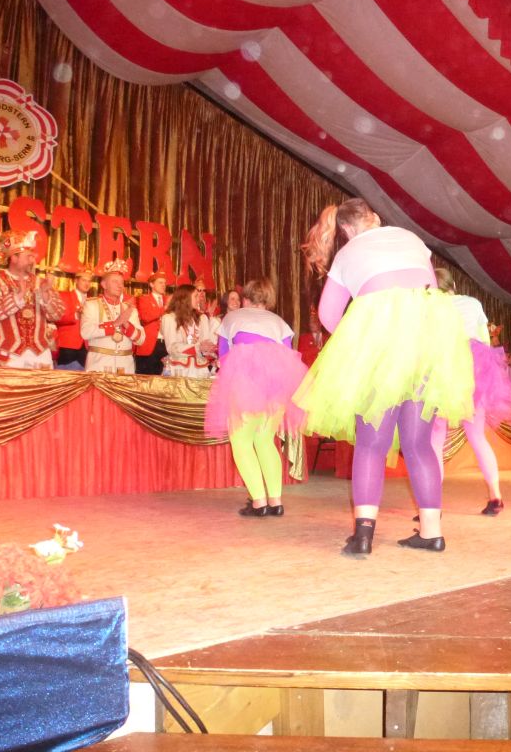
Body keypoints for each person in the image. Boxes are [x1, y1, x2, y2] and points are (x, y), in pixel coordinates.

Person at [295, 198, 473, 555]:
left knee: (371, 444)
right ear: (375, 217)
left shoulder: (348, 253)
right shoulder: (412, 239)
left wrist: (356, 341)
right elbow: (426, 289)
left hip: (378, 349)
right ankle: (432, 532)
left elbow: (328, 314)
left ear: (346, 229)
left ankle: (363, 535)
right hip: (424, 345)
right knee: (419, 444)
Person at [204, 278, 308, 516]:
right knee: (265, 440)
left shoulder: (232, 318)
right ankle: (276, 501)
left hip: (246, 384)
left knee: (241, 441)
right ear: (268, 300)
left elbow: (224, 356)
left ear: (245, 299)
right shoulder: (279, 322)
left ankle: (259, 503)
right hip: (277, 387)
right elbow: (289, 357)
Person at [429, 268, 511, 516]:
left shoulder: (432, 308)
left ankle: (432, 503)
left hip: (444, 370)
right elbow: (485, 340)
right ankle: (496, 496)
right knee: (477, 436)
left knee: (436, 438)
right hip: (474, 370)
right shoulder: (472, 303)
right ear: (453, 285)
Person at [0, 231, 65, 369]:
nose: (32, 260)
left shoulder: (41, 282)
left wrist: (45, 294)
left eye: (33, 256)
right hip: (6, 353)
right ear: (14, 258)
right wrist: (17, 297)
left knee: (43, 384)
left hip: (40, 354)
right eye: (28, 256)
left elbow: (58, 314)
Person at [81, 259, 145, 374]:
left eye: (122, 282)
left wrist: (126, 324)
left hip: (125, 368)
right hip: (99, 366)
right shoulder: (92, 305)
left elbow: (141, 340)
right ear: (104, 284)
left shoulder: (129, 309)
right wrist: (115, 323)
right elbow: (86, 332)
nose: (120, 285)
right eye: (115, 281)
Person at [160, 284, 214, 378]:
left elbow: (205, 344)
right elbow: (172, 348)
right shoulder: (169, 318)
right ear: (185, 298)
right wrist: (197, 348)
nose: (199, 299)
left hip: (200, 369)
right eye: (196, 296)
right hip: (179, 370)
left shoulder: (202, 318)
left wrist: (210, 349)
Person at [54, 268, 94, 370]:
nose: (87, 284)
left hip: (87, 346)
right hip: (67, 345)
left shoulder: (93, 301)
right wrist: (76, 315)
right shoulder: (63, 295)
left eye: (89, 281)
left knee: (83, 377)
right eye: (84, 280)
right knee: (65, 377)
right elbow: (56, 318)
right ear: (76, 281)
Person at [135, 273, 168, 375]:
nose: (163, 285)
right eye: (160, 283)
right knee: (146, 377)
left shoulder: (168, 299)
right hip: (149, 344)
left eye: (165, 283)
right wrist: (164, 308)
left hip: (166, 343)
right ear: (151, 284)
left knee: (164, 377)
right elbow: (145, 317)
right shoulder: (144, 299)